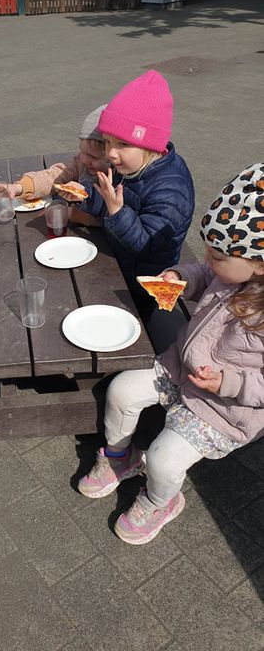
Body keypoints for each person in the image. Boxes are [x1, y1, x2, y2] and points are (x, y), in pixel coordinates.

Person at [78, 163, 264, 544]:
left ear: (259, 265)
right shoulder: (230, 272)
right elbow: (204, 274)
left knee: (163, 458)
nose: (209, 260)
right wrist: (180, 277)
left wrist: (228, 383)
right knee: (121, 390)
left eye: (218, 257)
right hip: (180, 367)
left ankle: (160, 501)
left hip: (221, 408)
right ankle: (120, 456)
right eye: (208, 251)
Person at [66, 71, 195, 303]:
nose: (111, 153)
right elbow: (108, 199)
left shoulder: (170, 189)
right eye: (108, 142)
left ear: (151, 145)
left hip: (144, 284)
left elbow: (146, 246)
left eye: (123, 144)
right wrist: (85, 195)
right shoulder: (129, 166)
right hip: (119, 260)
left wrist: (117, 212)